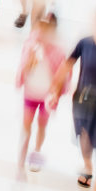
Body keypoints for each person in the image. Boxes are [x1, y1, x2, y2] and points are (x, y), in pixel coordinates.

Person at [51, 6, 96, 191]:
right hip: (83, 102)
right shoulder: (85, 43)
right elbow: (67, 64)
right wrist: (55, 90)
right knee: (84, 140)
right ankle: (87, 166)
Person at [16, 13, 66, 178]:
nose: (43, 30)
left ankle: (36, 152)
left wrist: (57, 92)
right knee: (27, 123)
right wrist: (31, 59)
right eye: (41, 26)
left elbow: (63, 74)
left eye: (47, 27)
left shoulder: (58, 49)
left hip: (47, 95)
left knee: (42, 125)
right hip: (31, 91)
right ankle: (23, 154)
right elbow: (24, 68)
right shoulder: (31, 44)